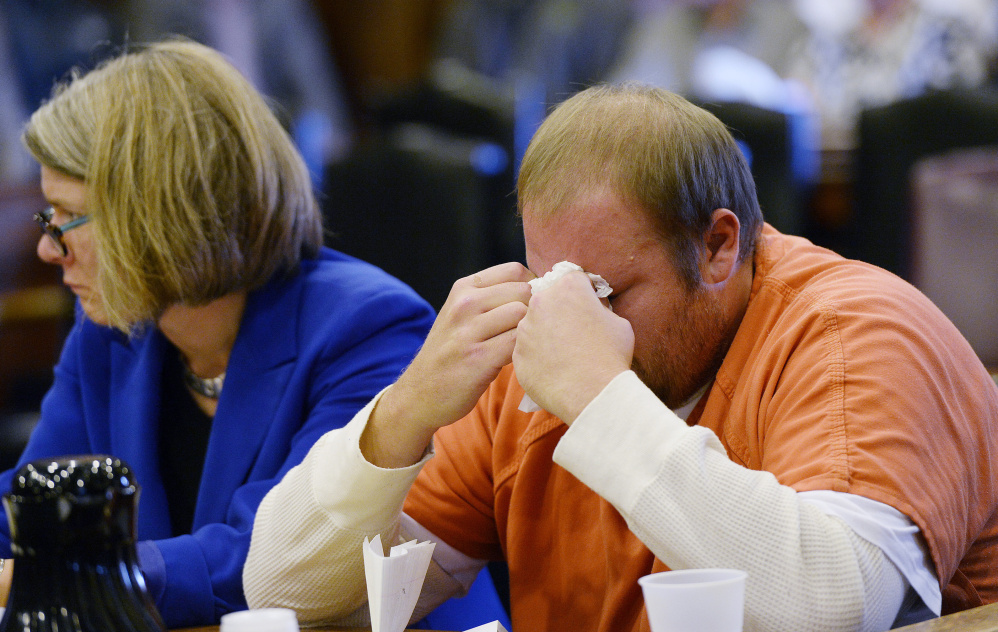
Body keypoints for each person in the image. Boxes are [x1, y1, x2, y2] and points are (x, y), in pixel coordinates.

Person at [244, 83, 998, 631]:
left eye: (604, 292)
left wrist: (600, 396)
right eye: (553, 285)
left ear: (717, 246)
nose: (570, 323)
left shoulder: (858, 333)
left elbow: (836, 607)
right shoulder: (532, 360)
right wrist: (403, 413)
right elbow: (284, 593)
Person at [0, 39, 437, 628]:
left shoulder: (368, 326)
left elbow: (272, 565)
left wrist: (70, 574)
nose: (47, 249)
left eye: (63, 219)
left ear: (154, 213)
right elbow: (28, 515)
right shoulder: (112, 328)